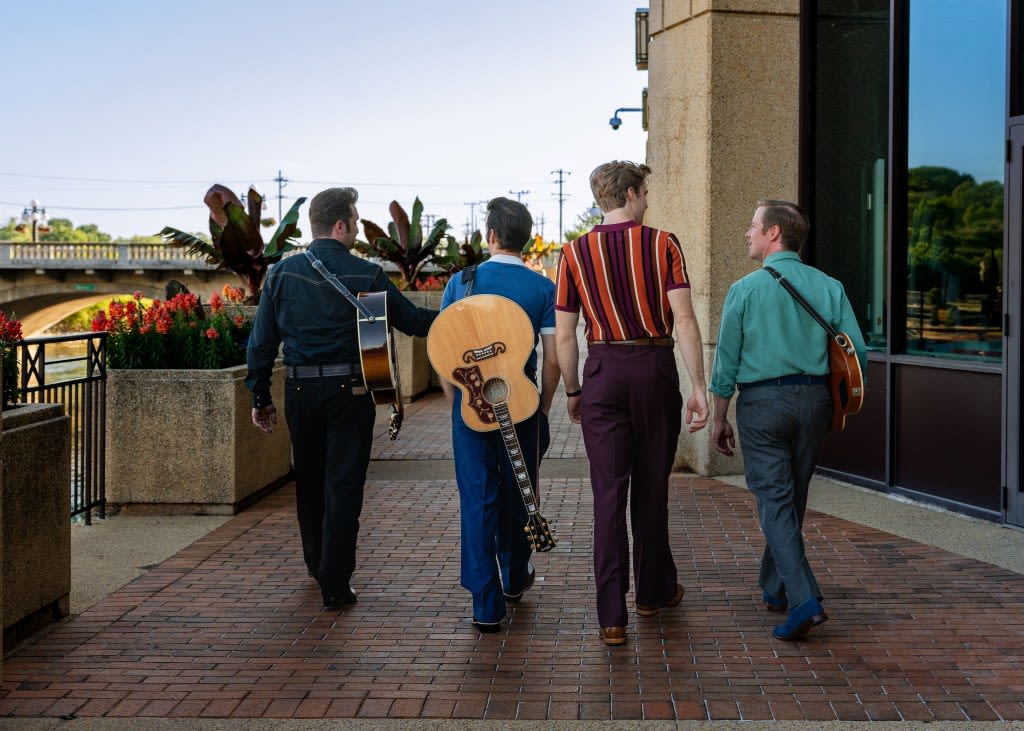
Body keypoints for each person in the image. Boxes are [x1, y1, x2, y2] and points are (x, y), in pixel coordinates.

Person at [246, 187, 437, 611]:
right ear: (340, 225)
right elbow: (415, 323)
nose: (355, 226)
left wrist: (261, 395)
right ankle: (336, 583)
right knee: (344, 489)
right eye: (353, 219)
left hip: (298, 391)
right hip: (350, 393)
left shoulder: (281, 274)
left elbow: (260, 345)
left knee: (309, 484)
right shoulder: (364, 274)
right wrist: (463, 313)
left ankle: (317, 566)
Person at [554, 161, 709, 647]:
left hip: (602, 373)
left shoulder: (573, 253)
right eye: (644, 192)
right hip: (653, 368)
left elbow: (564, 335)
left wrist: (573, 391)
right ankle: (653, 593)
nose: (647, 201)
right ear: (629, 192)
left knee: (607, 495)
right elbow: (683, 319)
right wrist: (699, 385)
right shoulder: (662, 243)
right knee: (651, 488)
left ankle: (611, 616)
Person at [709, 199, 867, 640]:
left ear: (774, 233)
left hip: (762, 405)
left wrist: (720, 417)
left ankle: (804, 600)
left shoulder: (745, 290)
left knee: (775, 502)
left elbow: (725, 364)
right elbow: (859, 353)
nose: (747, 232)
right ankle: (775, 585)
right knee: (790, 498)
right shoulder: (829, 286)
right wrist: (841, 403)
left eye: (753, 225)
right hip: (814, 402)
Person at [437, 196, 560, 634]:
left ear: (491, 236)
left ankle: (486, 603)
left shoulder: (462, 281)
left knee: (478, 498)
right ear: (526, 240)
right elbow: (552, 359)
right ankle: (514, 575)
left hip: (471, 408)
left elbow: (444, 353)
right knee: (518, 491)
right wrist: (543, 407)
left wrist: (458, 400)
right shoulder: (543, 288)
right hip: (521, 403)